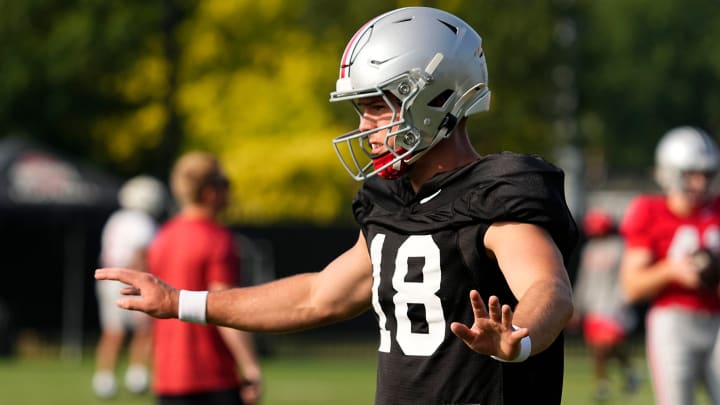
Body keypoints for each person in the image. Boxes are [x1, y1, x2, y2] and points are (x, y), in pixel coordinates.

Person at [96, 7, 578, 405]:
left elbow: (547, 286)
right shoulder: (393, 202)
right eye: (360, 109)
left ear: (437, 97)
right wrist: (181, 301)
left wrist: (521, 337)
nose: (365, 126)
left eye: (377, 105)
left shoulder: (495, 196)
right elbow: (318, 296)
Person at [147, 151, 262, 405]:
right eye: (225, 184)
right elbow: (227, 308)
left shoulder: (161, 238)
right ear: (210, 192)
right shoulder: (217, 240)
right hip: (213, 377)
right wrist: (250, 366)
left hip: (168, 377)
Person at [619, 126, 720, 405]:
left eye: (707, 174)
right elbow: (631, 286)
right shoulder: (650, 210)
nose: (700, 183)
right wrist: (673, 270)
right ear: (670, 172)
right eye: (691, 174)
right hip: (673, 319)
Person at [93, 175, 166, 399]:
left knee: (112, 332)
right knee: (145, 329)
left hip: (108, 279)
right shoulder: (142, 222)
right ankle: (137, 376)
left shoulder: (116, 219)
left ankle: (104, 379)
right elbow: (140, 254)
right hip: (129, 278)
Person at [571, 208, 639, 401]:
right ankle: (603, 383)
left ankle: (627, 372)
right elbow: (585, 279)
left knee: (609, 344)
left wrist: (624, 299)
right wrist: (578, 304)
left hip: (613, 305)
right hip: (594, 305)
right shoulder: (590, 249)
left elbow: (626, 275)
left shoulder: (620, 247)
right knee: (597, 348)